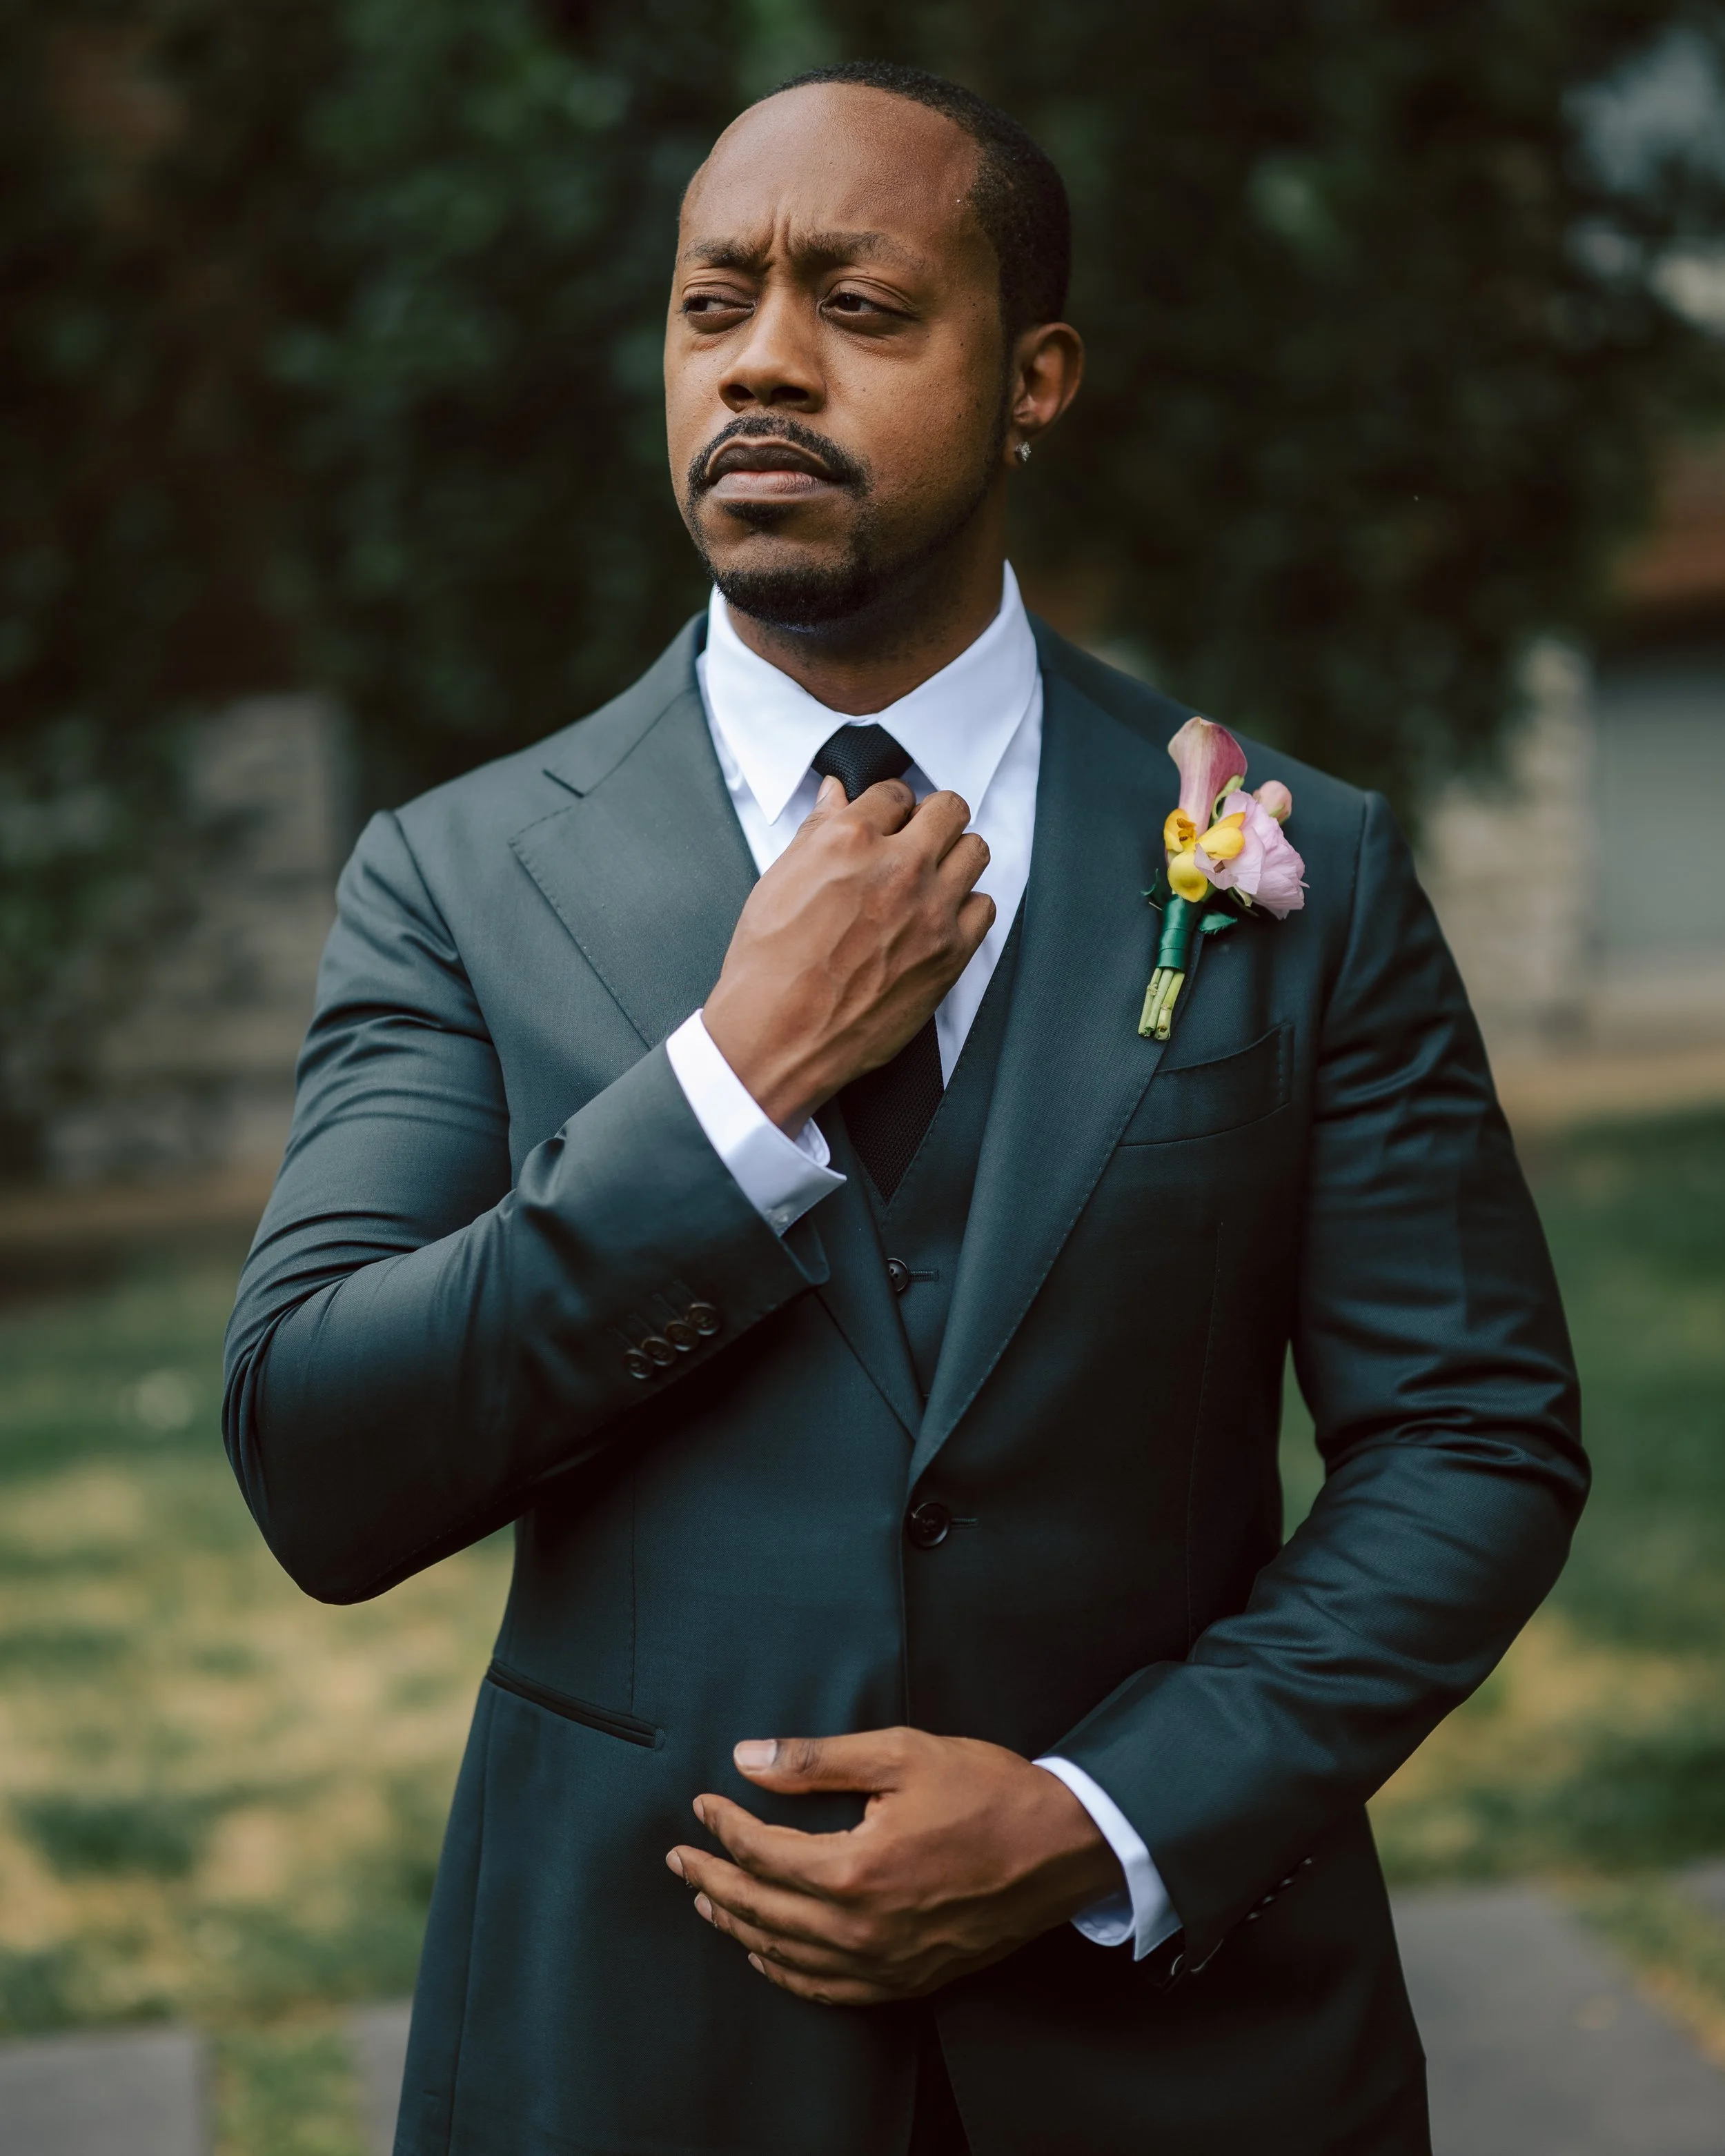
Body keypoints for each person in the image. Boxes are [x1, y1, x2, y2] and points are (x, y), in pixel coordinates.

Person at [224, 60, 1584, 2156]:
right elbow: (321, 1459)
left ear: (1033, 377)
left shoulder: (1296, 864)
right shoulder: (461, 877)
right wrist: (730, 1087)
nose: (761, 360)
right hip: (630, 2052)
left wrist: (1091, 1813)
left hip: (1187, 2055)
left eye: (857, 306)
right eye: (710, 305)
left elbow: (1472, 1438)